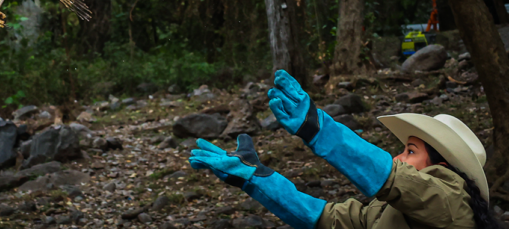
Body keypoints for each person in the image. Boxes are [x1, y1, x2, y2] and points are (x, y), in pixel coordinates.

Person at [189, 70, 504, 229]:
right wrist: (255, 178)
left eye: (410, 151)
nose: (399, 158)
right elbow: (324, 218)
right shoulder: (386, 211)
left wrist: (317, 127)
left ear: (443, 167)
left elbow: (392, 177)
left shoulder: (451, 201)